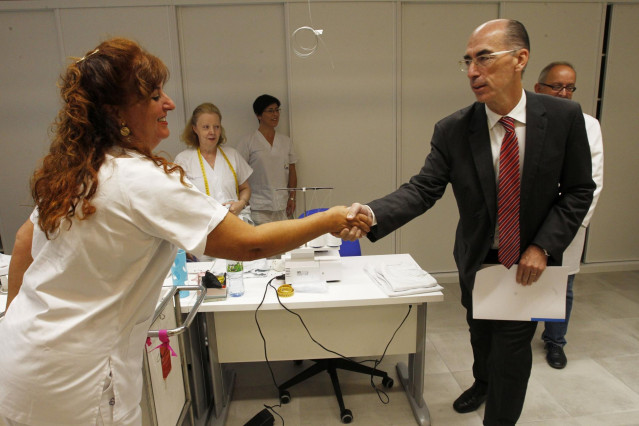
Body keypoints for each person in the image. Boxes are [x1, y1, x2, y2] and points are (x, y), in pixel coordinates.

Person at [0, 38, 370, 426]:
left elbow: (25, 241)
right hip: (72, 382)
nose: (169, 104)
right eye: (154, 95)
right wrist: (330, 218)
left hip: (20, 354)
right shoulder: (140, 178)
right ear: (117, 113)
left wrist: (14, 321)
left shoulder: (80, 168)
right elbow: (250, 244)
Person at [339, 20, 595, 425]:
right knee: (481, 336)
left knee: (511, 352)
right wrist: (371, 214)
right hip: (479, 259)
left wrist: (543, 246)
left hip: (528, 265)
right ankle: (481, 381)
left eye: (484, 58)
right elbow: (423, 188)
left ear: (520, 59)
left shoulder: (563, 117)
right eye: (468, 61)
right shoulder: (455, 129)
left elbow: (580, 189)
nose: (473, 71)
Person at [534, 61, 604, 369]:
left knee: (562, 285)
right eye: (557, 86)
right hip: (532, 220)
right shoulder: (527, 120)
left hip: (569, 221)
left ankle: (555, 341)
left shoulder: (588, 124)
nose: (564, 93)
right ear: (539, 88)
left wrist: (573, 224)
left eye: (569, 87)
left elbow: (594, 180)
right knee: (526, 279)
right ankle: (520, 337)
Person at [175, 102, 254, 224]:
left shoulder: (232, 155)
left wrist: (241, 203)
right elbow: (178, 198)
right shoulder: (183, 160)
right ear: (195, 129)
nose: (212, 131)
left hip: (235, 222)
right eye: (206, 127)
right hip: (203, 226)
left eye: (216, 127)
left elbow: (245, 188)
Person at [235, 94, 298, 225]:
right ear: (258, 115)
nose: (275, 114)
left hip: (283, 205)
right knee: (262, 243)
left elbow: (292, 170)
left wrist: (292, 197)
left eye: (277, 110)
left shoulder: (286, 141)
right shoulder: (248, 142)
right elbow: (238, 174)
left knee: (284, 243)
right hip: (258, 206)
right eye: (270, 111)